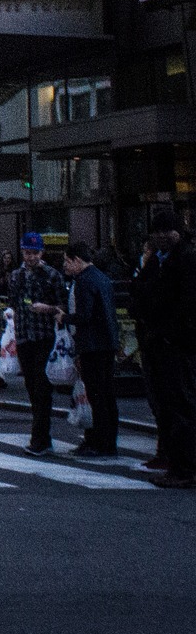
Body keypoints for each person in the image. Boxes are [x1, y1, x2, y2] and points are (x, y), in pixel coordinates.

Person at [130, 209, 196, 488]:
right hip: (159, 341)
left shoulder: (184, 260)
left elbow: (185, 305)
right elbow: (139, 292)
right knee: (166, 405)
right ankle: (176, 463)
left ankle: (185, 467)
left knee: (179, 404)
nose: (157, 238)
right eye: (154, 233)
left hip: (174, 344)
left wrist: (171, 336)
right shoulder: (159, 261)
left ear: (175, 233)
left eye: (163, 232)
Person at [6, 232, 68, 456]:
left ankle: (40, 438)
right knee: (32, 388)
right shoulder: (16, 276)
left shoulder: (52, 275)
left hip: (45, 337)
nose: (30, 257)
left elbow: (63, 304)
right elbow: (12, 301)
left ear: (41, 253)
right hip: (24, 336)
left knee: (42, 388)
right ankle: (41, 436)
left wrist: (48, 308)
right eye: (26, 252)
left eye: (34, 253)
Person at [61, 242, 120, 459]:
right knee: (106, 395)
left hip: (92, 345)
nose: (65, 265)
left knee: (97, 396)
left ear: (77, 260)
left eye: (68, 261)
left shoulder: (84, 282)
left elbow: (84, 316)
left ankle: (100, 442)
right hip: (106, 343)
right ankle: (106, 440)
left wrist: (64, 317)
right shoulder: (102, 278)